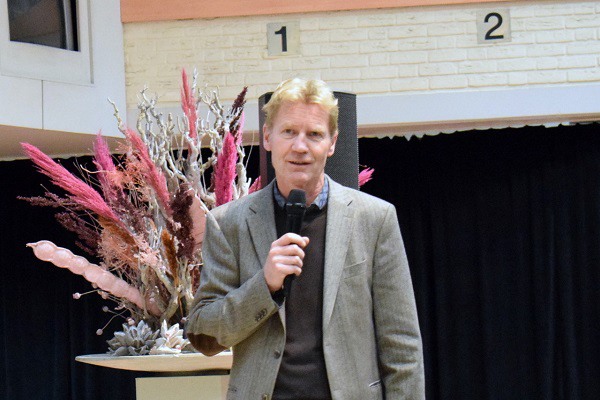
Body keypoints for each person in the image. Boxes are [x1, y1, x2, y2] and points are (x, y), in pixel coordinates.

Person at [186, 78, 425, 399]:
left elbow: (402, 347)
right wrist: (264, 285)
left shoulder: (374, 219)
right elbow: (204, 336)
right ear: (268, 137)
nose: (300, 146)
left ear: (332, 143)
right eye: (289, 132)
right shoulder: (228, 223)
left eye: (314, 134)